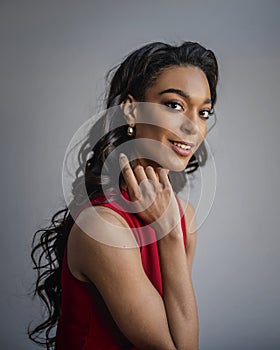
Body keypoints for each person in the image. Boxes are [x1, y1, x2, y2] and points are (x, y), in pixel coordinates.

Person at [29, 41, 219, 350]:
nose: (193, 126)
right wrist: (170, 237)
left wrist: (172, 231)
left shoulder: (183, 217)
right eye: (174, 105)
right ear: (131, 110)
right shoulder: (104, 227)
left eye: (204, 112)